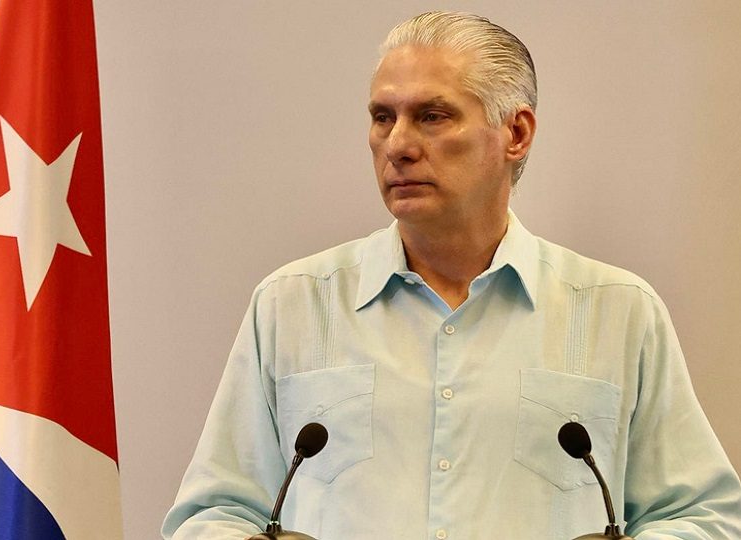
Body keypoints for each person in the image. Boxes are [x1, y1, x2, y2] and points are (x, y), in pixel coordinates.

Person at [161, 11, 741, 539]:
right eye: (382, 118)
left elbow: (702, 517)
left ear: (516, 134)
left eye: (432, 117)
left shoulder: (617, 310)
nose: (397, 145)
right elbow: (213, 514)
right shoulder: (292, 304)